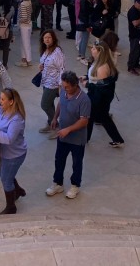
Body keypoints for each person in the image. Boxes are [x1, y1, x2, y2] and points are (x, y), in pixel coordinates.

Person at [45, 71, 91, 200]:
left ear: (75, 85)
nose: (64, 89)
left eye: (67, 87)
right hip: (63, 136)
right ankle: (57, 183)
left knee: (76, 163)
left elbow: (84, 121)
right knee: (59, 160)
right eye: (63, 86)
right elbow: (60, 103)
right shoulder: (64, 92)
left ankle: (75, 185)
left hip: (77, 139)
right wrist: (55, 118)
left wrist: (68, 130)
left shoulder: (84, 100)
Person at [0, 88, 28, 214]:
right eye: (0, 98)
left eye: (3, 99)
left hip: (14, 155)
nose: (0, 101)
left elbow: (9, 139)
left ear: (11, 102)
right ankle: (18, 190)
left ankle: (11, 207)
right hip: (1, 152)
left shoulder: (17, 119)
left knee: (5, 180)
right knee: (0, 172)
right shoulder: (2, 109)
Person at [83, 41, 124, 147]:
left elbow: (99, 88)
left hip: (98, 98)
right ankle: (117, 140)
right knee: (102, 117)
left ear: (100, 51)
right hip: (99, 97)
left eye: (93, 49)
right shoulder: (98, 62)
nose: (91, 50)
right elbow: (95, 79)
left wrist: (87, 84)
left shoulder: (102, 68)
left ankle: (85, 138)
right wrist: (86, 77)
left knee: (95, 117)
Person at [38, 30, 65, 137]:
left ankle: (56, 125)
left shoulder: (57, 52)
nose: (47, 39)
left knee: (44, 104)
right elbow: (45, 63)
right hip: (45, 81)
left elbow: (62, 69)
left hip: (53, 84)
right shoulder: (46, 50)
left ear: (53, 39)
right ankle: (51, 123)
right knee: (49, 104)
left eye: (49, 37)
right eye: (45, 38)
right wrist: (41, 67)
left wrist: (60, 85)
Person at [126, 0, 140, 74]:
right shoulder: (132, 11)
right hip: (134, 35)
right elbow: (135, 23)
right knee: (134, 51)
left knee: (138, 51)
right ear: (135, 2)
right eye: (139, 3)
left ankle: (136, 64)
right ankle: (130, 67)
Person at [76, 0, 94, 64]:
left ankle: (80, 55)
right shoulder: (84, 0)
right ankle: (82, 56)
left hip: (84, 20)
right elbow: (85, 14)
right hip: (85, 21)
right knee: (84, 39)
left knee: (83, 38)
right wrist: (87, 25)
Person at [16, 0, 33, 67]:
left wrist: (18, 21)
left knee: (25, 43)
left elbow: (24, 17)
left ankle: (28, 60)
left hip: (24, 26)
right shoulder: (29, 2)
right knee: (25, 43)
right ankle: (24, 59)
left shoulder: (23, 4)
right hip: (29, 24)